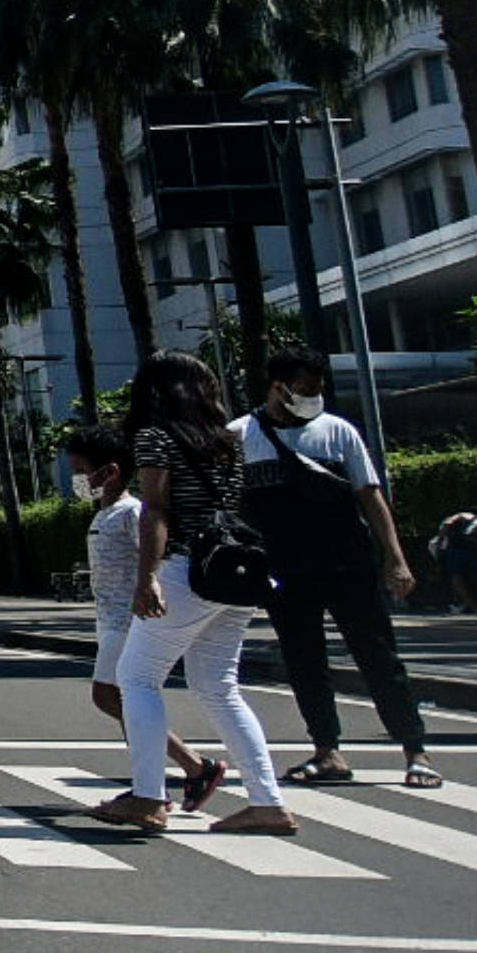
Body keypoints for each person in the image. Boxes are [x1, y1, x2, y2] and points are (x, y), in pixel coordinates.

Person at [91, 352, 296, 835]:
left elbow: (156, 511)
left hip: (186, 568)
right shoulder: (228, 441)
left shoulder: (156, 438)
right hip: (231, 572)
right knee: (219, 687)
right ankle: (267, 801)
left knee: (135, 679)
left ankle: (147, 797)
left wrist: (148, 578)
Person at [236, 348, 438, 790]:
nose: (313, 397)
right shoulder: (240, 435)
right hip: (284, 569)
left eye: (317, 389)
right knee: (304, 662)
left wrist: (395, 557)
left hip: (348, 563)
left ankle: (414, 748)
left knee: (378, 656)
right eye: (304, 389)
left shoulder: (337, 432)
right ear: (278, 387)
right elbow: (230, 506)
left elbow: (370, 495)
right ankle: (327, 750)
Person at [67, 425, 220, 809]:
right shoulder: (105, 513)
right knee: (117, 700)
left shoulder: (130, 512)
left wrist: (148, 590)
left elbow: (153, 556)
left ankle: (180, 773)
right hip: (111, 620)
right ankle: (184, 771)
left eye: (82, 470)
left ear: (111, 472)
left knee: (110, 696)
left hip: (130, 620)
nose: (79, 480)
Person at [431, 504, 477, 613]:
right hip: (472, 550)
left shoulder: (464, 515)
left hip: (456, 549)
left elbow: (448, 523)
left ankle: (472, 605)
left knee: (457, 578)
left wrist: (440, 541)